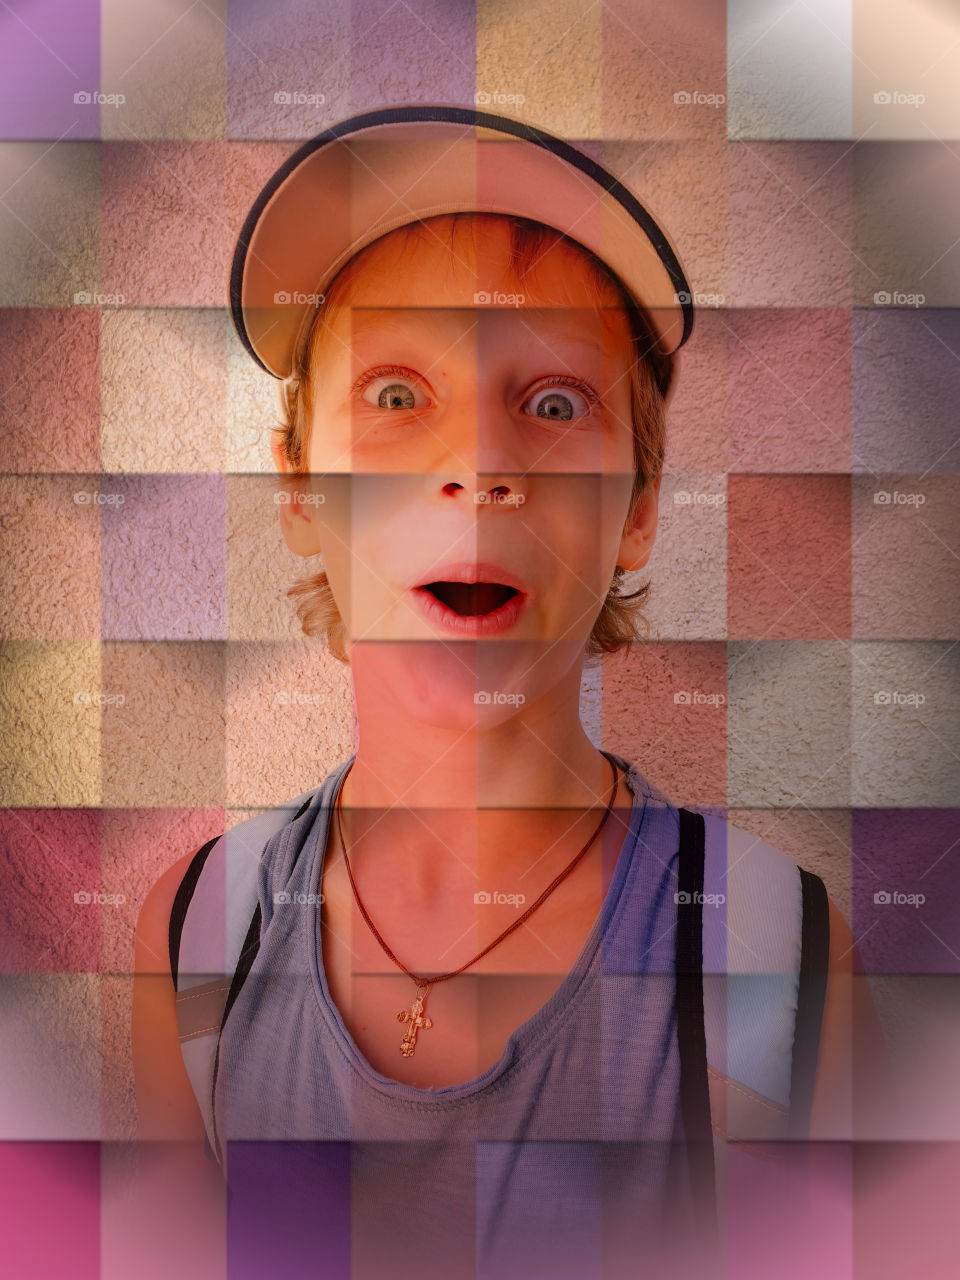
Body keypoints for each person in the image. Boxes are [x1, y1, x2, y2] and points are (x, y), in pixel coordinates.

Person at [132, 106, 884, 1279]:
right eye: (393, 395)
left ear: (636, 507)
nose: (479, 467)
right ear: (299, 487)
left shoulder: (777, 957)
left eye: (552, 404)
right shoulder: (196, 938)